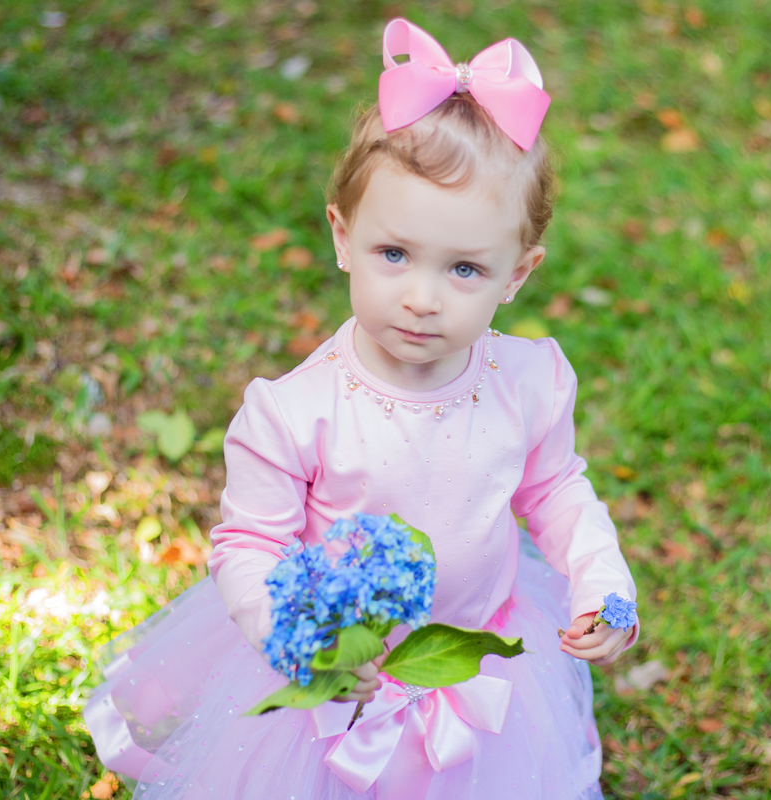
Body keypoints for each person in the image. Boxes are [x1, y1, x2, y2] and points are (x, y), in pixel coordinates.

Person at [84, 18, 638, 800]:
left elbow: (555, 491)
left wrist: (598, 576)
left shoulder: (528, 382)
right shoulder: (296, 412)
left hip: (472, 649)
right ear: (343, 237)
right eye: (394, 254)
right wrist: (300, 647)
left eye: (466, 269)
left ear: (518, 274)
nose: (422, 297)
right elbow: (249, 545)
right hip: (335, 670)